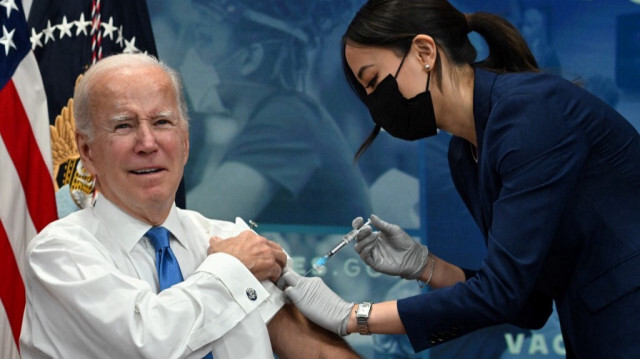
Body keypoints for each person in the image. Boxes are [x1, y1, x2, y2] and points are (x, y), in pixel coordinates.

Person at [280, 0, 640, 358]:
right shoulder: (465, 154)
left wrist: (353, 315)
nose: (375, 103)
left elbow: (500, 292)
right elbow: (526, 303)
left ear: (424, 51)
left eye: (373, 81)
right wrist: (425, 266)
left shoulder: (529, 115)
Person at [19, 53, 360, 358]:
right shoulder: (58, 254)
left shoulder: (231, 237)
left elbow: (316, 351)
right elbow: (150, 344)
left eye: (162, 122)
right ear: (88, 151)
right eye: (124, 125)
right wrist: (231, 268)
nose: (147, 143)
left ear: (184, 142)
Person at [181, 0, 372, 226]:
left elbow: (199, 225)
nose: (191, 54)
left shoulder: (290, 122)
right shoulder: (267, 120)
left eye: (206, 40)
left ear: (250, 59)